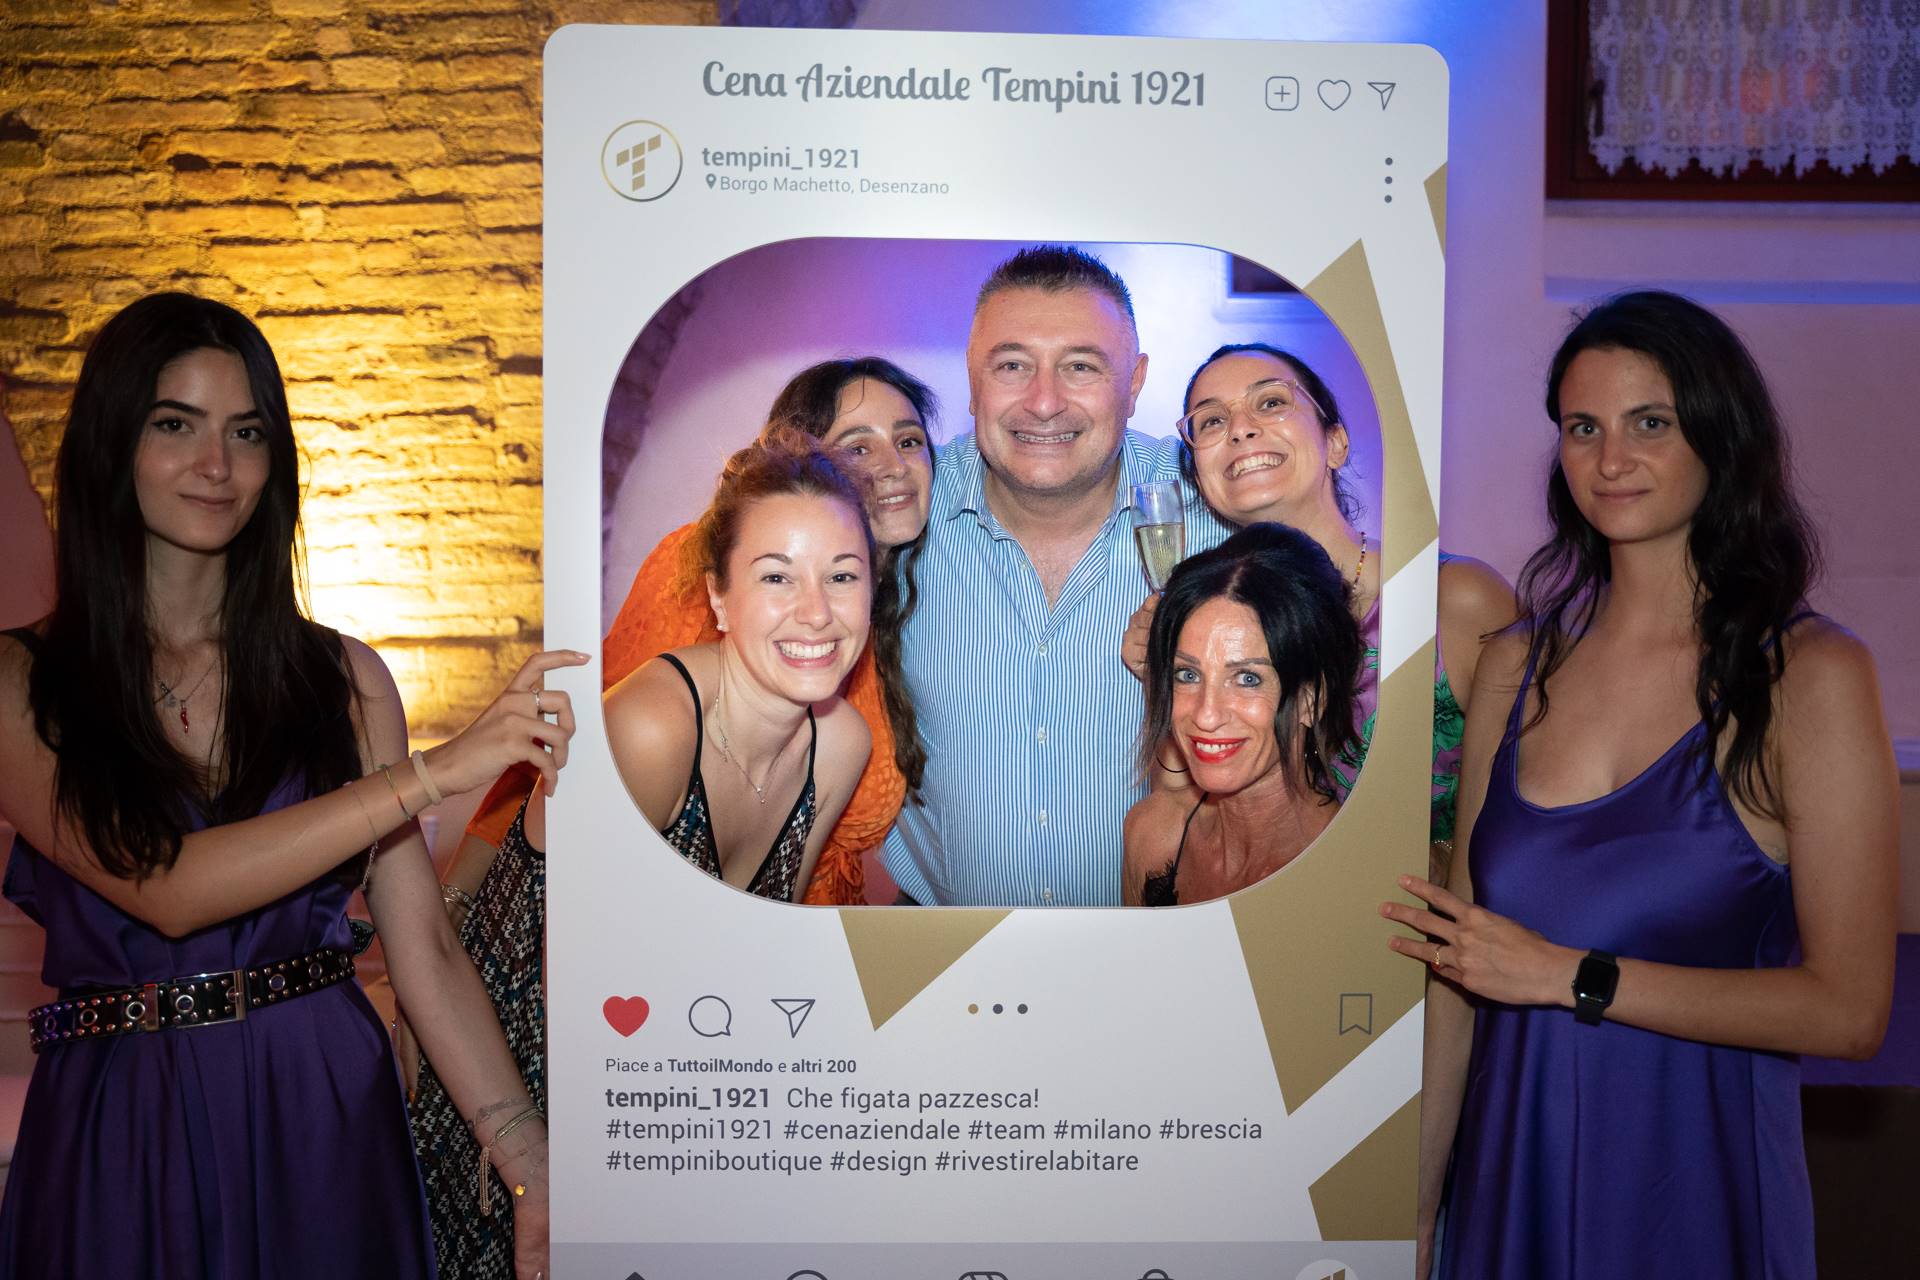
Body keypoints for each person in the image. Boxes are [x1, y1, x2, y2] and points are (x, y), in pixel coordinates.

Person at [0, 292, 583, 1280]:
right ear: (111, 443)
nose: (217, 464)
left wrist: (527, 1154)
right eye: (175, 424)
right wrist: (432, 772)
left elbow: (425, 947)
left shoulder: (346, 678)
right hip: (123, 1118)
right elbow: (168, 887)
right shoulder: (22, 681)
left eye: (247, 432)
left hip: (321, 1108)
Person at [1382, 291, 1897, 1279]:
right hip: (1508, 1184)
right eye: (1583, 427)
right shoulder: (1513, 664)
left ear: (1719, 435)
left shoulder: (1809, 677)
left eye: (1649, 423)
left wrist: (1569, 974)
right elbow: (1459, 971)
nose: (1610, 458)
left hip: (1693, 1196)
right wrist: (1414, 1211)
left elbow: (1850, 1009)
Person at [882, 244, 1227, 907]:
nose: (1044, 403)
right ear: (972, 380)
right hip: (938, 945)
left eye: (1080, 366)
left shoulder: (1212, 509)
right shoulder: (900, 508)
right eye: (1013, 365)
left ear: (1134, 383)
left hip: (1167, 943)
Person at [1127, 342, 1514, 864]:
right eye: (1212, 420)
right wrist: (1164, 673)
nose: (1240, 429)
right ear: (1199, 478)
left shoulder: (1452, 600)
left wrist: (1446, 867)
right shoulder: (1207, 626)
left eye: (1270, 402)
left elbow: (1533, 803)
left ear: (1335, 443)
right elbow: (1181, 820)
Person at [602, 427, 873, 901]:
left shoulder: (839, 746)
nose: (817, 614)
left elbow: (771, 934)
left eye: (842, 576)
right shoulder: (651, 729)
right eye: (777, 577)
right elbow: (581, 940)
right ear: (718, 596)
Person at [1121, 524, 1361, 905]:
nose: (1206, 715)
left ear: (1311, 699)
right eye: (1188, 675)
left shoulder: (1358, 877)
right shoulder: (1152, 838)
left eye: (1247, 679)